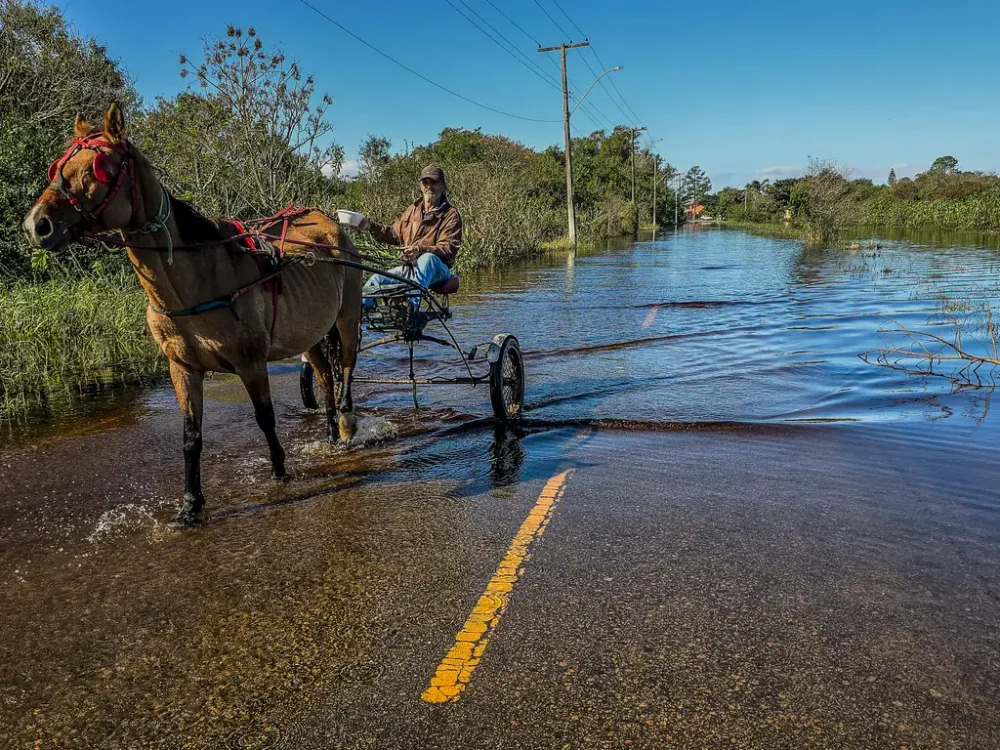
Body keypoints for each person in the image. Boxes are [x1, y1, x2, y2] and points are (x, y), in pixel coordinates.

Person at [360, 165, 462, 309]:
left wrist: (420, 249)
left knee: (427, 259)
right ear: (421, 186)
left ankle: (410, 307)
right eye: (425, 182)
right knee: (376, 279)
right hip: (410, 269)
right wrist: (369, 225)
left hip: (438, 270)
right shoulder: (412, 210)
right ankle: (360, 315)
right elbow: (394, 234)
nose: (429, 186)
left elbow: (448, 248)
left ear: (443, 186)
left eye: (434, 182)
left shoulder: (451, 214)